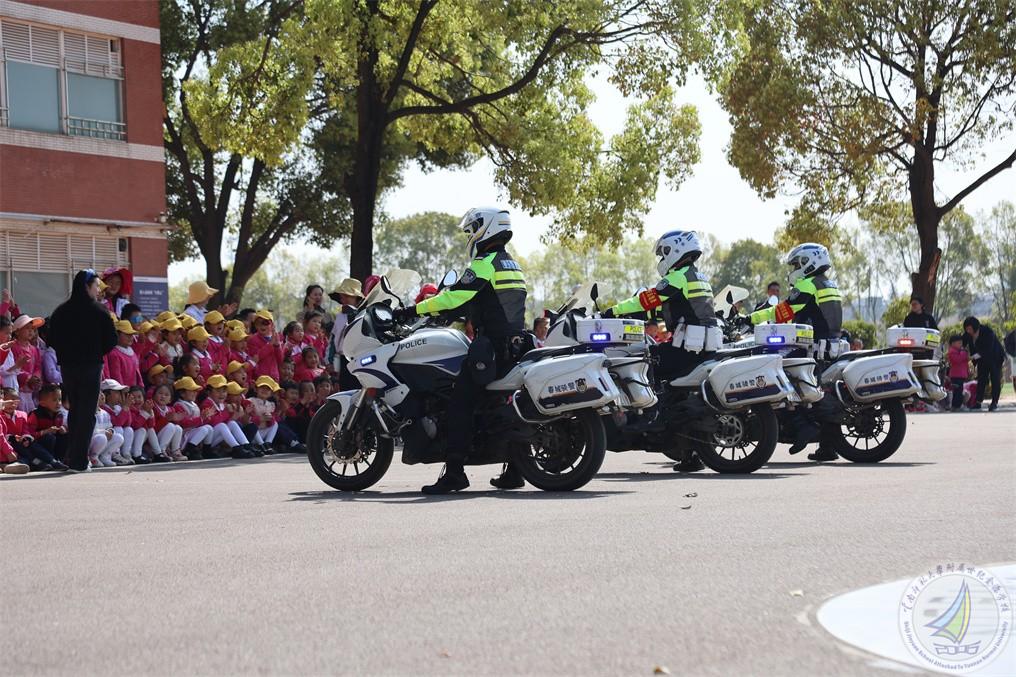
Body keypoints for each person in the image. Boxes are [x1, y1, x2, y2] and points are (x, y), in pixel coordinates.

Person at [392, 206, 528, 494]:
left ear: (486, 229)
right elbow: (488, 303)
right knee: (497, 404)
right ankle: (516, 468)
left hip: (493, 348)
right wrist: (456, 313)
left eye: (472, 230)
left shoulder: (485, 263)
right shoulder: (511, 265)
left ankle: (454, 472)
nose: (469, 236)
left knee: (459, 404)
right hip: (516, 346)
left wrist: (412, 310)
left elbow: (454, 296)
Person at [603, 230, 718, 472]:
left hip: (687, 347)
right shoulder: (699, 277)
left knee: (645, 363)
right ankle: (690, 452)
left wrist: (613, 311)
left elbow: (647, 299)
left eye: (663, 253)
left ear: (675, 250)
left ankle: (652, 415)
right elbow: (671, 307)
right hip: (704, 347)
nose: (662, 259)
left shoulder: (678, 277)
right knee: (674, 388)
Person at [750, 243, 843, 462]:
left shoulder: (808, 285)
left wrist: (750, 318)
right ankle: (827, 446)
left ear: (808, 263)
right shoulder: (829, 285)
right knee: (821, 392)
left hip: (813, 348)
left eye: (795, 264)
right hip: (830, 347)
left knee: (779, 376)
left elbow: (783, 311)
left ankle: (802, 426)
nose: (793, 269)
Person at [48, 270, 117, 472]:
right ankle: (79, 461)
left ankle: (72, 457)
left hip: (68, 367)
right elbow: (111, 340)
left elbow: (52, 339)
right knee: (87, 412)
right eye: (96, 286)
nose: (98, 291)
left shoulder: (61, 311)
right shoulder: (99, 311)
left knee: (75, 409)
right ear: (87, 286)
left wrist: (67, 354)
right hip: (91, 366)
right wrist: (95, 351)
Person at [962, 317, 1005, 411]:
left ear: (975, 327)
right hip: (981, 359)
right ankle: (978, 402)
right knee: (981, 379)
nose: (968, 331)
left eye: (969, 329)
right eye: (966, 329)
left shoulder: (988, 332)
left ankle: (994, 402)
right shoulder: (967, 334)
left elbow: (987, 349)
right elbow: (962, 344)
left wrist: (972, 357)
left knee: (995, 379)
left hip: (995, 357)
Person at [328, 279, 364, 388]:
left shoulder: (363, 315)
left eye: (348, 296)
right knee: (345, 388)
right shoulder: (340, 317)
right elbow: (333, 339)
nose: (343, 299)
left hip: (359, 358)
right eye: (342, 296)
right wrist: (329, 360)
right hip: (343, 359)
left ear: (357, 298)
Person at [946, 335, 970, 412]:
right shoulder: (952, 351)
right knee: (957, 391)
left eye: (961, 343)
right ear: (953, 343)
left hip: (961, 374)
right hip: (956, 375)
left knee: (959, 391)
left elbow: (965, 361)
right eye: (959, 343)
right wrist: (964, 353)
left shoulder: (960, 351)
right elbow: (957, 360)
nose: (961, 345)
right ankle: (956, 406)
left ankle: (957, 405)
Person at [1005, 328, 1016, 395]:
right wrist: (1013, 354)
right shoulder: (1012, 335)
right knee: (1014, 375)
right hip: (1014, 357)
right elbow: (1007, 345)